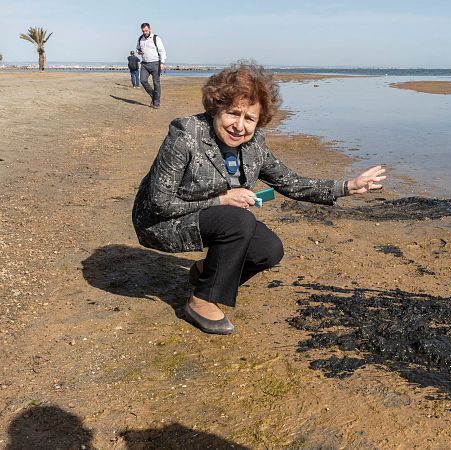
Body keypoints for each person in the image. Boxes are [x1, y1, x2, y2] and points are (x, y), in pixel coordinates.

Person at [132, 62, 386, 335]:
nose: (239, 126)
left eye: (249, 118)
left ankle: (205, 271)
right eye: (233, 113)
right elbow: (159, 202)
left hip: (212, 219)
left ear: (259, 120)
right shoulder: (185, 135)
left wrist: (348, 186)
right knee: (238, 220)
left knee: (268, 249)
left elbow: (291, 182)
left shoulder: (254, 145)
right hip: (160, 222)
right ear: (216, 107)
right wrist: (222, 200)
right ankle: (202, 300)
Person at [136, 22, 166, 108]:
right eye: (143, 31)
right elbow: (137, 49)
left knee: (156, 83)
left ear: (149, 29)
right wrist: (139, 52)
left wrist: (162, 62)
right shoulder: (140, 39)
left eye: (146, 30)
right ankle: (154, 96)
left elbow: (162, 50)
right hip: (144, 64)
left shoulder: (156, 38)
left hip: (155, 63)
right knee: (142, 80)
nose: (145, 32)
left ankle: (156, 103)